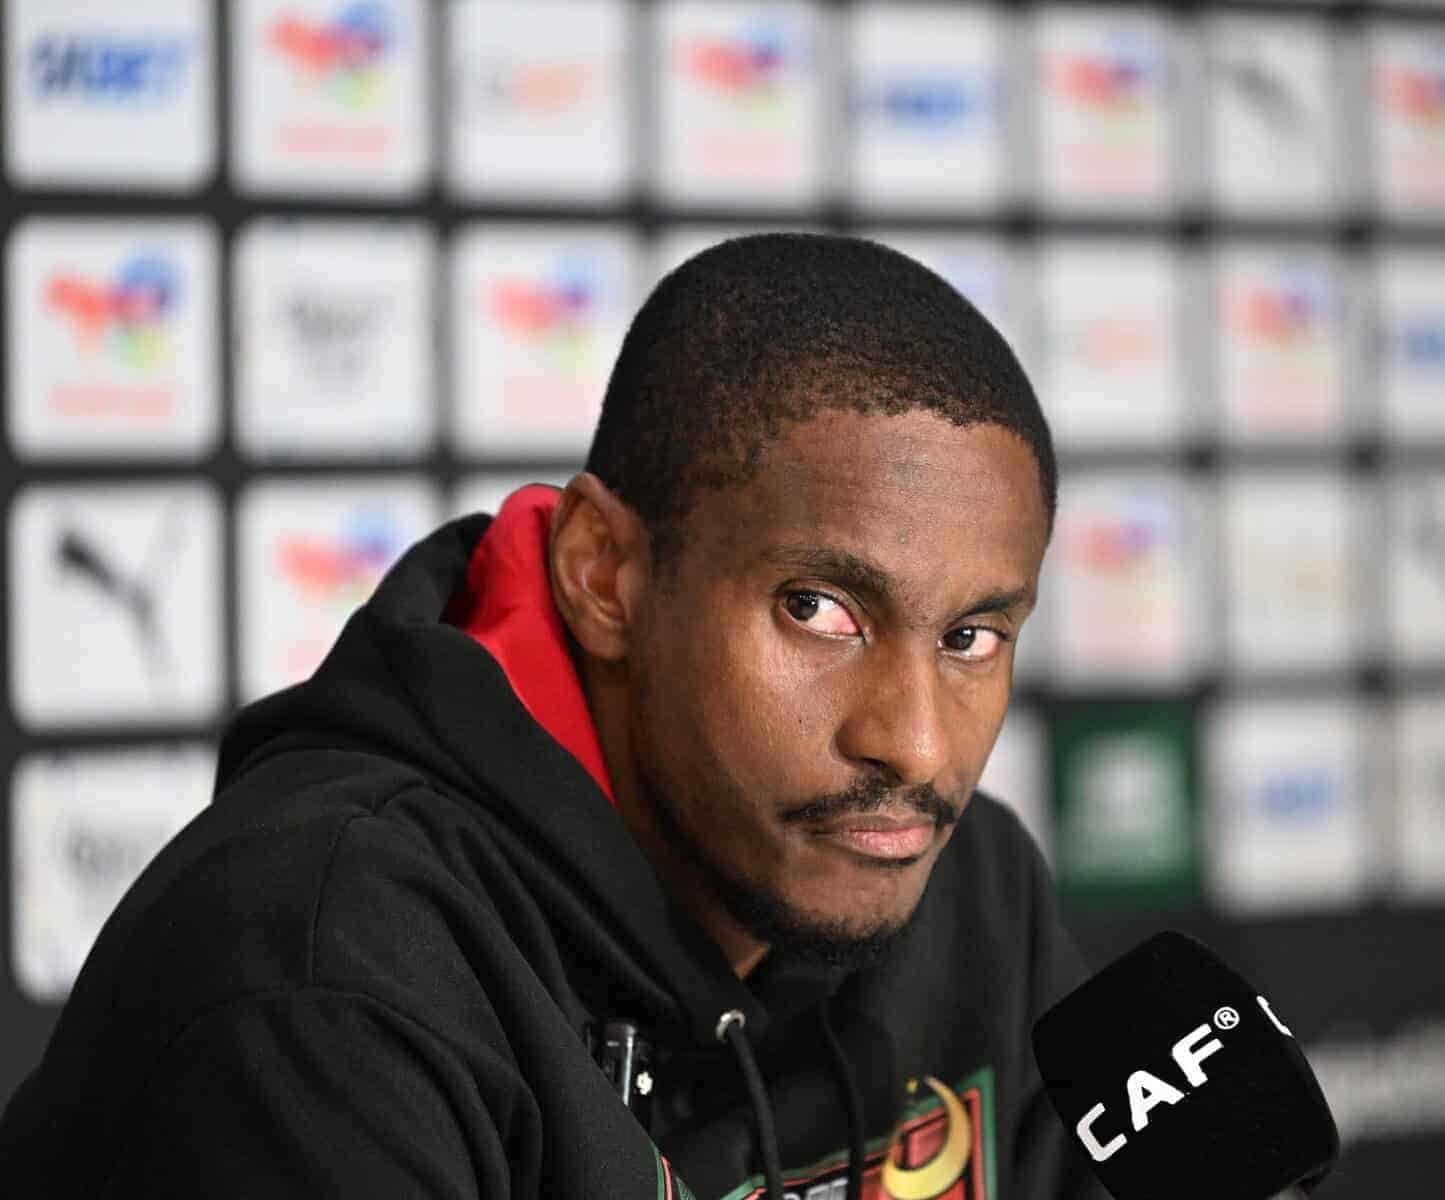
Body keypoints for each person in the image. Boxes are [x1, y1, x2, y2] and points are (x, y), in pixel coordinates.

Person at [0, 234, 1105, 1199]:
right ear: (603, 573)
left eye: (972, 637)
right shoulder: (324, 975)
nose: (913, 745)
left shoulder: (967, 892)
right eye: (818, 610)